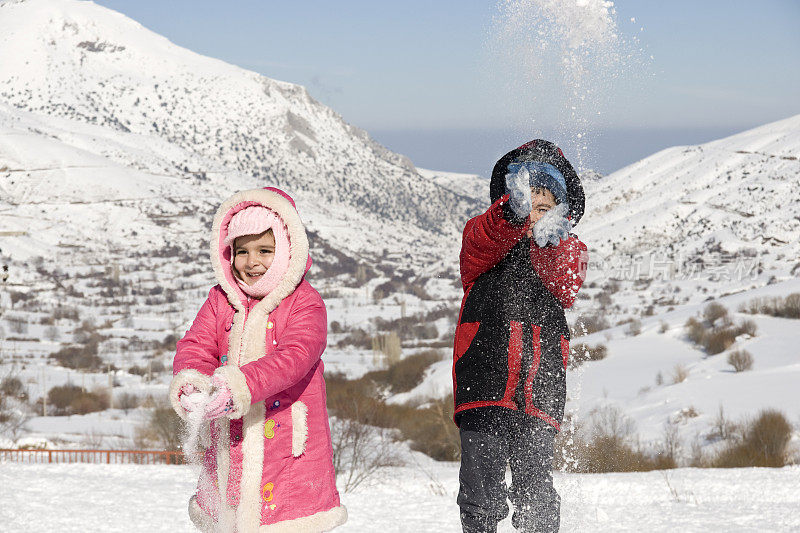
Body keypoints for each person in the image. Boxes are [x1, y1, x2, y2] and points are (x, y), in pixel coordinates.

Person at [169, 187, 347, 532]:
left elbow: (295, 357)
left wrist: (239, 386)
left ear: (287, 250)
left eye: (265, 250)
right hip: (228, 440)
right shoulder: (221, 300)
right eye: (242, 252)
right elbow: (197, 344)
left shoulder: (305, 303)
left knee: (280, 522)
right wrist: (193, 382)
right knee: (229, 518)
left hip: (284, 445)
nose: (252, 262)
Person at [452, 140, 588, 532]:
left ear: (562, 211)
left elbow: (567, 284)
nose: (535, 215)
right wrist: (512, 217)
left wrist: (551, 241)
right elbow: (480, 240)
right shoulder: (485, 241)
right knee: (481, 485)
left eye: (545, 207)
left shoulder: (567, 248)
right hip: (485, 383)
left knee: (536, 485)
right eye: (527, 202)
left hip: (540, 392)